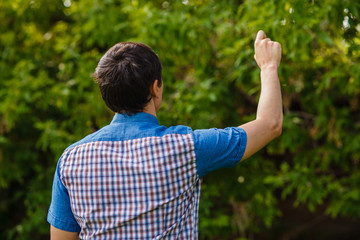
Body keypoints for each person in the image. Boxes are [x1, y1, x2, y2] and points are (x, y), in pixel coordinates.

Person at [47, 30, 282, 240]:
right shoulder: (186, 148)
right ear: (155, 87)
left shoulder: (71, 160)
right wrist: (268, 66)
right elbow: (270, 124)